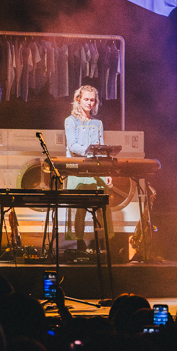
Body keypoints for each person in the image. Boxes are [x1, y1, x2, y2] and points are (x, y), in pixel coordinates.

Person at [63, 85, 109, 252]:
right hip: (79, 170)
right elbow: (73, 145)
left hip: (96, 170)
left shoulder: (98, 123)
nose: (90, 103)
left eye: (92, 100)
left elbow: (102, 147)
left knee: (101, 208)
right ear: (79, 99)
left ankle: (100, 242)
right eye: (87, 99)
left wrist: (106, 171)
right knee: (80, 209)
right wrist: (90, 150)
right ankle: (80, 242)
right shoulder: (71, 121)